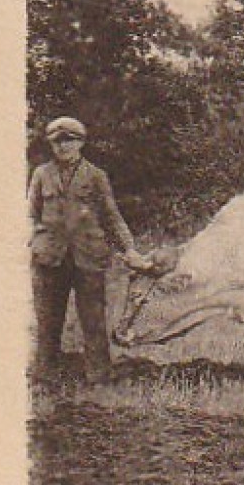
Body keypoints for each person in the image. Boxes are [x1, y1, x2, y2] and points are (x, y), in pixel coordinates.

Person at [28, 116, 150, 384]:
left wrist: (130, 249)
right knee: (48, 323)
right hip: (49, 259)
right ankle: (44, 380)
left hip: (88, 259)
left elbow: (111, 216)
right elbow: (31, 215)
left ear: (80, 143)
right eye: (57, 142)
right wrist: (32, 245)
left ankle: (99, 380)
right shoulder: (41, 174)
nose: (62, 147)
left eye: (68, 141)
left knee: (93, 322)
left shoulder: (95, 176)